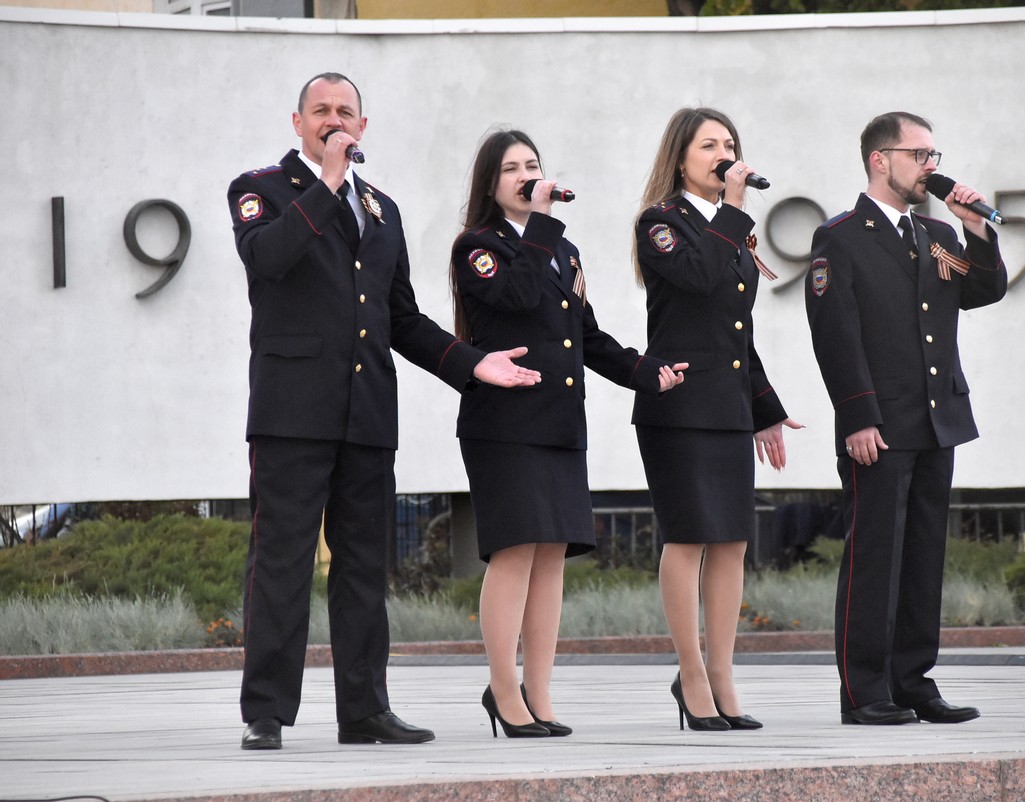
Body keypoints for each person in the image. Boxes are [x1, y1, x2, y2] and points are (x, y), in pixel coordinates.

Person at [226, 73, 540, 751]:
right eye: (321, 112)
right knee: (281, 562)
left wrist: (470, 362)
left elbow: (401, 317)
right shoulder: (262, 190)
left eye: (345, 113)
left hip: (367, 413)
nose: (333, 121)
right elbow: (266, 259)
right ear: (298, 122)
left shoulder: (382, 207)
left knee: (365, 566)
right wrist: (327, 185)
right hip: (292, 412)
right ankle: (267, 712)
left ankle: (364, 709)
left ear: (362, 127)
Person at [450, 129, 686, 739]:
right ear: (490, 183)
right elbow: (517, 296)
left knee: (552, 556)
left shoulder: (564, 250)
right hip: (503, 425)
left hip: (558, 422)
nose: (527, 176)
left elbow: (587, 337)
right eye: (512, 169)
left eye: (534, 165)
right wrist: (543, 225)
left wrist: (644, 373)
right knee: (515, 552)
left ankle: (540, 693)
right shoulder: (478, 247)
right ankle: (503, 691)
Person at [805, 111, 1007, 726]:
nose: (931, 168)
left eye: (933, 156)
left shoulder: (936, 235)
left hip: (935, 419)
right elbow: (835, 337)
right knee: (875, 557)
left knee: (922, 557)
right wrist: (858, 418)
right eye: (919, 156)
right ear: (879, 160)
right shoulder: (839, 237)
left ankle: (914, 681)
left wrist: (977, 231)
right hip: (881, 426)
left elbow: (983, 289)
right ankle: (865, 690)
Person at [632, 107, 802, 732]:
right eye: (709, 146)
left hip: (727, 405)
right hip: (677, 406)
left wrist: (767, 411)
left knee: (731, 541)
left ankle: (724, 673)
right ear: (681, 159)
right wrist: (732, 210)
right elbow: (700, 280)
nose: (723, 154)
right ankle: (692, 675)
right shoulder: (661, 224)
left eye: (729, 144)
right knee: (689, 538)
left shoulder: (733, 230)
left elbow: (738, 333)